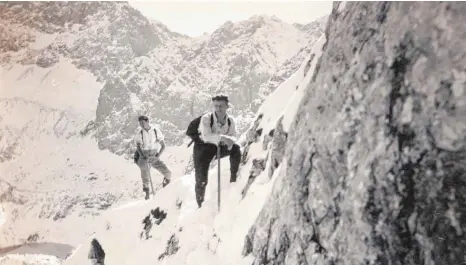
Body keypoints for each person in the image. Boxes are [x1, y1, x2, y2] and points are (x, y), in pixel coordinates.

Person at [193, 94, 241, 208]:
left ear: (227, 106)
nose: (218, 109)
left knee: (236, 149)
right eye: (216, 106)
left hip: (219, 147)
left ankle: (233, 177)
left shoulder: (230, 120)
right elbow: (207, 136)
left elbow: (233, 136)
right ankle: (200, 204)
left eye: (221, 106)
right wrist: (223, 138)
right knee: (201, 179)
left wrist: (229, 140)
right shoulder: (206, 118)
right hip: (202, 149)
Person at [134, 115, 172, 200]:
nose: (142, 125)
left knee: (168, 173)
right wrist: (143, 156)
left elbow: (163, 146)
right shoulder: (139, 134)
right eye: (140, 123)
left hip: (154, 156)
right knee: (145, 172)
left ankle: (165, 191)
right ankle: (147, 194)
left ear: (147, 121)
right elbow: (139, 147)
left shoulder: (155, 131)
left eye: (143, 123)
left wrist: (157, 157)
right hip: (144, 156)